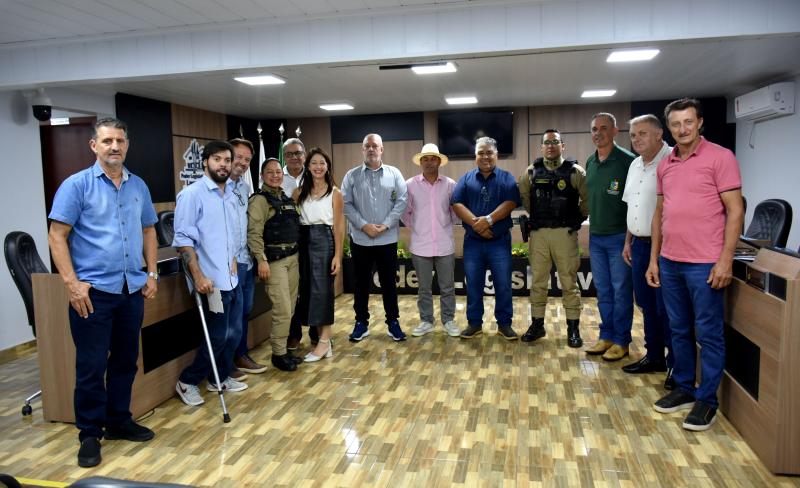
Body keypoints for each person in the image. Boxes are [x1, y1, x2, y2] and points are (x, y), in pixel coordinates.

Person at [48, 117, 158, 468]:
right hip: (93, 293)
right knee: (92, 366)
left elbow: (149, 230)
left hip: (130, 289)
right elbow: (57, 236)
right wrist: (71, 284)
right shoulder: (76, 185)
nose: (115, 146)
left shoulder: (138, 185)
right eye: (108, 141)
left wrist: (151, 272)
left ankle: (118, 421)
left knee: (126, 361)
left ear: (127, 145)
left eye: (120, 141)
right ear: (94, 145)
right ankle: (89, 434)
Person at [647, 98, 743, 431]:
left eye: (688, 122)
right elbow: (660, 214)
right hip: (670, 262)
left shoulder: (721, 157)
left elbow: (735, 211)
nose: (682, 129)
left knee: (709, 333)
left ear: (700, 122)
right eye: (676, 124)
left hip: (704, 263)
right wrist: (654, 259)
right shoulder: (666, 164)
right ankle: (685, 388)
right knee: (678, 329)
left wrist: (725, 259)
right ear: (669, 128)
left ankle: (707, 401)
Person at [174, 140, 247, 407]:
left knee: (234, 333)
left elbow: (229, 234)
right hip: (210, 281)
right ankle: (188, 380)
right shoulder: (192, 195)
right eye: (217, 159)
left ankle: (220, 377)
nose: (223, 165)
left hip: (231, 277)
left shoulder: (230, 195)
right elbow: (184, 241)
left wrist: (234, 257)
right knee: (217, 336)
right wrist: (198, 276)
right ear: (205, 162)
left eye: (227, 160)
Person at [517, 129, 588, 347]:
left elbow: (587, 200)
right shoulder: (531, 172)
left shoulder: (576, 172)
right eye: (546, 143)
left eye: (555, 142)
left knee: (569, 282)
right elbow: (526, 199)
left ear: (562, 146)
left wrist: (575, 219)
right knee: (538, 281)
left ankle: (573, 329)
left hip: (565, 234)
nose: (550, 146)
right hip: (539, 234)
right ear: (541, 147)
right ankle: (537, 325)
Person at [620, 115, 674, 389]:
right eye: (633, 135)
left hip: (665, 247)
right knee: (647, 305)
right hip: (639, 245)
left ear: (659, 134)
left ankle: (676, 364)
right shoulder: (635, 164)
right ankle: (654, 357)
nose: (636, 139)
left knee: (668, 308)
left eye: (642, 133)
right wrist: (628, 241)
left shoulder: (673, 160)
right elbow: (633, 206)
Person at [451, 136, 521, 340]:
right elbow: (456, 203)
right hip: (473, 243)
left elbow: (511, 202)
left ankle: (504, 324)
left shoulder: (507, 178)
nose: (485, 156)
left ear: (496, 155)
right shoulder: (465, 179)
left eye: (489, 152)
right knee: (473, 285)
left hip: (499, 242)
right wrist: (477, 225)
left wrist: (488, 220)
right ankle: (474, 324)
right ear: (475, 156)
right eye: (481, 153)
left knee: (503, 285)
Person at [341, 133, 408, 342]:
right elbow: (345, 204)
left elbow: (402, 201)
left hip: (387, 239)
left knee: (389, 283)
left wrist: (385, 225)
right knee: (360, 283)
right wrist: (364, 226)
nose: (371, 149)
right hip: (360, 240)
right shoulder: (351, 176)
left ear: (381, 149)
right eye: (367, 146)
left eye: (375, 146)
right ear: (362, 150)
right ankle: (361, 323)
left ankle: (393, 322)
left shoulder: (394, 174)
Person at [584, 112, 635, 361]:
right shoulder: (590, 162)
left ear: (615, 131)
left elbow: (636, 202)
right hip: (596, 237)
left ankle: (622, 341)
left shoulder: (628, 161)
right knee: (603, 291)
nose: (598, 133)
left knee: (621, 291)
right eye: (594, 129)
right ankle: (606, 336)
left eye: (604, 128)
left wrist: (629, 240)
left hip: (620, 238)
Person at [247, 158, 303, 372]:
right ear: (262, 176)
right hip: (274, 262)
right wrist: (261, 260)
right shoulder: (259, 201)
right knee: (283, 309)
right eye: (269, 172)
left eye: (278, 172)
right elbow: (254, 233)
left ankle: (284, 350)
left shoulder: (285, 198)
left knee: (290, 308)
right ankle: (278, 354)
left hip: (292, 259)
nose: (275, 175)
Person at [292, 148, 345, 362]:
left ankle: (324, 341)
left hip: (324, 242)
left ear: (328, 167)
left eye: (322, 163)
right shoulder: (298, 193)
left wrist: (338, 256)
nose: (318, 167)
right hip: (303, 243)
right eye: (314, 163)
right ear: (307, 167)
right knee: (308, 293)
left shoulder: (335, 193)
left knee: (323, 293)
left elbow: (339, 227)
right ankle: (322, 342)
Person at [401, 143, 459, 338]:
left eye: (433, 158)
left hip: (444, 244)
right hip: (420, 245)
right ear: (420, 162)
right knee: (424, 288)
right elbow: (405, 213)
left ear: (439, 162)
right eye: (425, 159)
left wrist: (443, 225)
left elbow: (455, 213)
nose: (428, 162)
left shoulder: (450, 185)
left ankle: (448, 320)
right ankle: (426, 321)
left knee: (447, 287)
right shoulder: (410, 185)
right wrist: (418, 227)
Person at [228, 138, 267, 379]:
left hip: (246, 259)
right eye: (238, 157)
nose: (242, 163)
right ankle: (227, 363)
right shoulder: (216, 187)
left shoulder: (243, 187)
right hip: (229, 263)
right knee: (231, 316)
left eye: (247, 159)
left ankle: (240, 354)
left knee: (244, 311)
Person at [282, 138, 320, 352]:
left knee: (314, 286)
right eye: (289, 154)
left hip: (312, 238)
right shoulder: (277, 177)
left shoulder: (315, 174)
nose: (294, 157)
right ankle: (294, 334)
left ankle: (316, 332)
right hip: (287, 240)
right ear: (284, 157)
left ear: (304, 155)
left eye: (298, 153)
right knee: (292, 289)